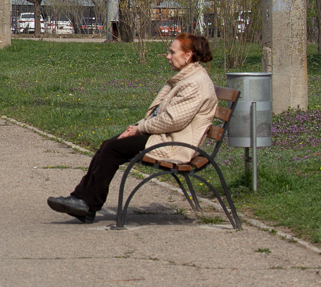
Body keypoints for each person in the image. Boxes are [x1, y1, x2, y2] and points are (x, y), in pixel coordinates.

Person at [47, 33, 218, 223]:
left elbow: (172, 120)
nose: (168, 56)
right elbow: (162, 116)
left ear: (188, 55)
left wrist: (139, 129)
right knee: (109, 145)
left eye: (172, 52)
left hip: (176, 143)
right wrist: (135, 128)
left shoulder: (195, 83)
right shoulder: (188, 78)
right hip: (167, 136)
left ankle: (87, 204)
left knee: (112, 148)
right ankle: (83, 202)